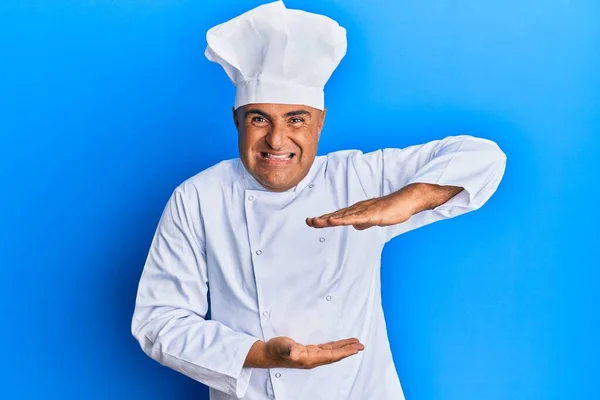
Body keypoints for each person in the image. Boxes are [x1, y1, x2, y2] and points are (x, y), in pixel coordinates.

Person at [130, 1, 507, 399]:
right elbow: (159, 321)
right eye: (259, 118)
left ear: (320, 122)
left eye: (296, 119)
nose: (277, 140)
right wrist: (259, 354)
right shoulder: (198, 198)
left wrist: (407, 200)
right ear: (237, 120)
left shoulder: (358, 179)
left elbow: (484, 157)